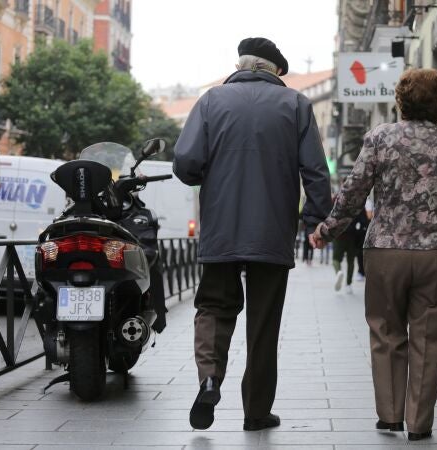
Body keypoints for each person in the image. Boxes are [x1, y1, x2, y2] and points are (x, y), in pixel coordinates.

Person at [310, 68, 437, 441]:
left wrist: (326, 231)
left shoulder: (380, 138)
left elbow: (352, 192)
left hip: (386, 251)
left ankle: (390, 415)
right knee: (430, 337)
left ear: (401, 101)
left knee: (386, 329)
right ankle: (420, 423)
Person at [173, 37, 332, 432]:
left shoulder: (211, 102)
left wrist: (204, 176)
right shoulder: (296, 105)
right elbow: (316, 171)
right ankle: (256, 411)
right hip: (273, 233)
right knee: (263, 324)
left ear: (242, 65)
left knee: (213, 306)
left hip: (221, 230)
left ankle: (209, 377)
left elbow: (186, 162)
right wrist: (315, 221)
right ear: (275, 71)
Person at [331, 209, 368, 294]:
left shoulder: (337, 200)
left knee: (336, 259)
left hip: (339, 235)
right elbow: (364, 221)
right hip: (352, 236)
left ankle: (338, 272)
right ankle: (348, 285)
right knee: (350, 261)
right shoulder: (358, 202)